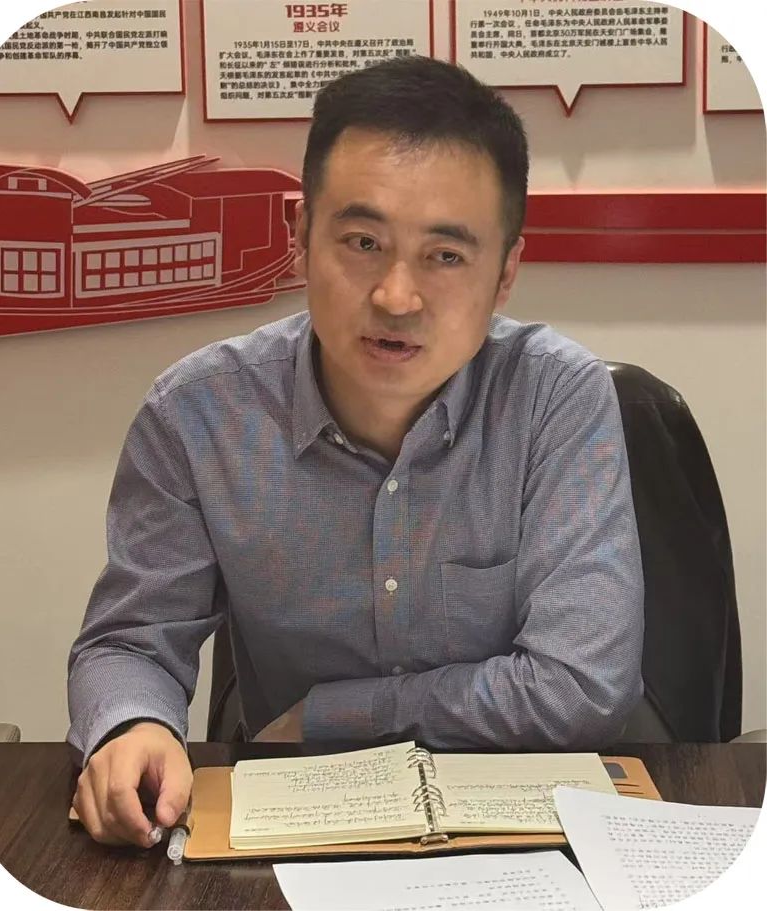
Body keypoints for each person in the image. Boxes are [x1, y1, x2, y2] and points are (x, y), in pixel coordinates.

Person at [67, 55, 644, 848]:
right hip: (293, 828)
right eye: (363, 241)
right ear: (301, 237)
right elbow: (131, 640)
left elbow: (582, 685)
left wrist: (335, 713)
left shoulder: (556, 398)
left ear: (506, 272)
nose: (396, 297)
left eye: (446, 255)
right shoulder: (197, 414)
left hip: (523, 830)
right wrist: (132, 725)